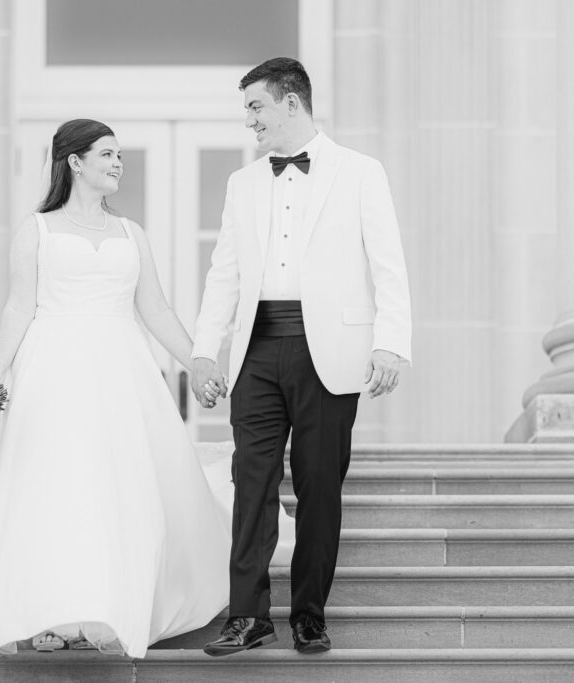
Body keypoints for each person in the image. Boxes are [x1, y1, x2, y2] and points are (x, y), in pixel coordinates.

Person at [0, 119, 295, 657]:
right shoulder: (37, 230)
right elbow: (18, 306)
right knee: (58, 490)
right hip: (52, 372)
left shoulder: (131, 234)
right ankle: (50, 609)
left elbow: (156, 309)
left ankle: (111, 602)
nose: (118, 163)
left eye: (120, 155)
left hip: (122, 376)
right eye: (107, 154)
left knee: (113, 489)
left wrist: (198, 360)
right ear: (74, 161)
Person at [192, 58, 412, 656]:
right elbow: (225, 274)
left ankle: (309, 614)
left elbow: (387, 264)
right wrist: (203, 353)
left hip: (331, 351)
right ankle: (248, 616)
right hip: (257, 351)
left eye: (256, 107)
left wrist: (391, 340)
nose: (249, 121)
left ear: (292, 103)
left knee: (320, 485)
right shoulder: (243, 183)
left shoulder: (361, 173)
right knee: (251, 481)